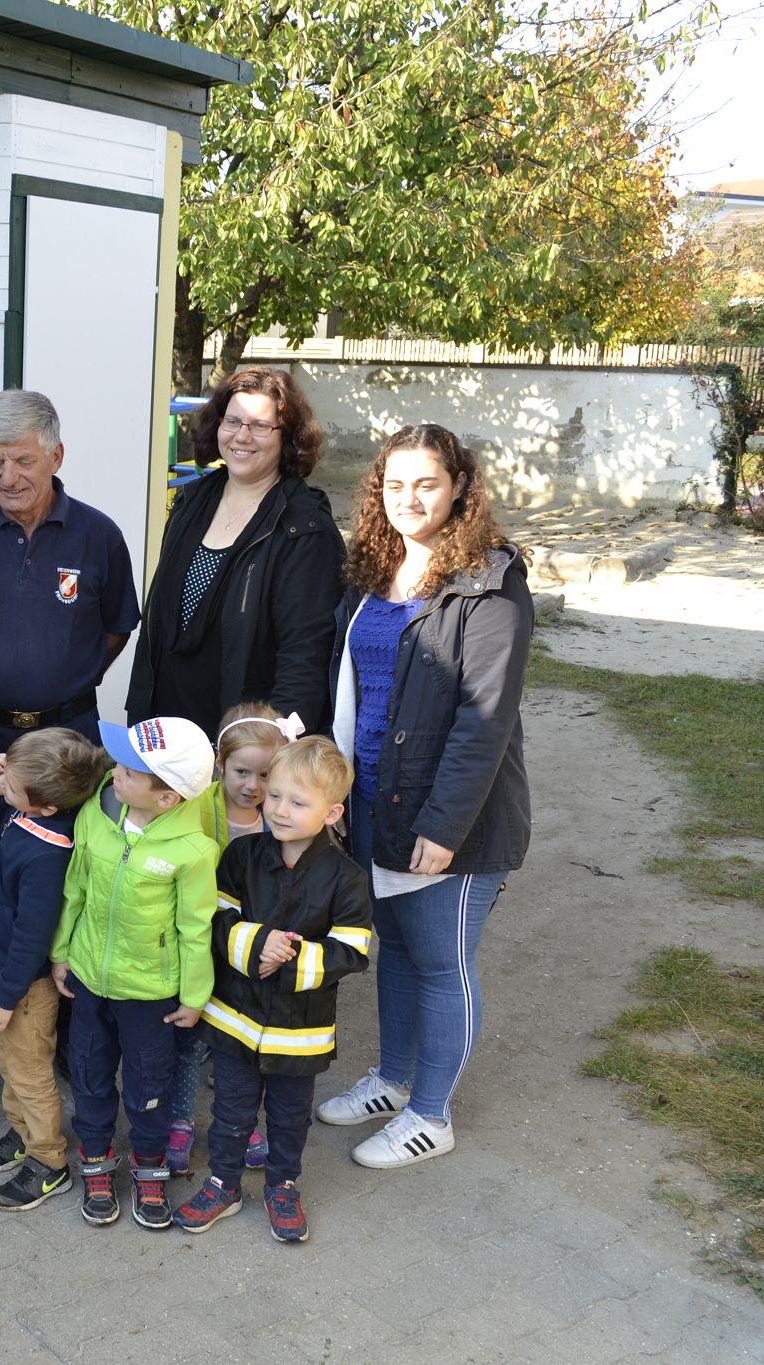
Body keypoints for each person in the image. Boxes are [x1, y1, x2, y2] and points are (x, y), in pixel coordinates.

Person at [315, 423, 532, 1169]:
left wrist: (444, 826)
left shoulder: (491, 582)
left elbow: (485, 718)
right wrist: (338, 791)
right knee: (398, 952)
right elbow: (348, 690)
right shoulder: (372, 571)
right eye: (396, 484)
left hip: (454, 822)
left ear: (459, 488)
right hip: (375, 800)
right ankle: (394, 1078)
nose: (411, 498)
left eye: (428, 484)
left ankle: (430, 1113)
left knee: (443, 960)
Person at [172, 737, 373, 1243]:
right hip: (237, 1017)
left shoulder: (346, 879)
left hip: (298, 1028)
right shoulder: (241, 855)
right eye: (275, 795)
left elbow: (352, 950)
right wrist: (257, 944)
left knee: (288, 1115)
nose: (280, 809)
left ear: (332, 813)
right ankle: (224, 1183)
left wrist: (292, 958)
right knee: (231, 1111)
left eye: (298, 802)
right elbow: (216, 916)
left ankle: (283, 1184)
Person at [50, 716, 219, 1230]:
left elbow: (196, 928)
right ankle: (96, 1160)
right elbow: (74, 888)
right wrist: (62, 952)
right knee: (89, 1076)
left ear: (166, 798)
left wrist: (194, 996)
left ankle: (149, 1166)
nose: (113, 774)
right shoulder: (95, 816)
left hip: (150, 994)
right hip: (88, 980)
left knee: (148, 1087)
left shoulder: (192, 851)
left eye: (128, 771)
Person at [0, 389, 139, 747]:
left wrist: (68, 679)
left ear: (56, 456)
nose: (8, 478)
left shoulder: (100, 536)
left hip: (69, 736)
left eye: (23, 461)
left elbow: (117, 628)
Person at [127, 367, 344, 738]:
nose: (243, 436)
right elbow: (158, 625)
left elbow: (305, 655)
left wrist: (269, 747)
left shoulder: (304, 528)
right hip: (167, 736)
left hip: (242, 747)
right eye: (233, 421)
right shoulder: (191, 502)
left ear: (288, 437)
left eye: (261, 426)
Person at [0, 728, 109, 1212]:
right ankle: (22, 1133)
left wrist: (5, 995)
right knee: (8, 1063)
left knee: (28, 1072)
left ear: (45, 805)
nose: (2, 783)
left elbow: (33, 934)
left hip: (21, 985)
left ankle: (48, 1162)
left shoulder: (49, 851)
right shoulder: (23, 814)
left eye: (10, 784)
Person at [165, 704, 301, 1178]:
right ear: (220, 765)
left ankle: (239, 1122)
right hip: (198, 940)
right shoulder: (196, 809)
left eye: (267, 774)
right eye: (243, 771)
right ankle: (179, 1122)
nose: (254, 786)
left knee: (236, 1040)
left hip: (249, 950)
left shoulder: (284, 815)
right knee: (188, 1037)